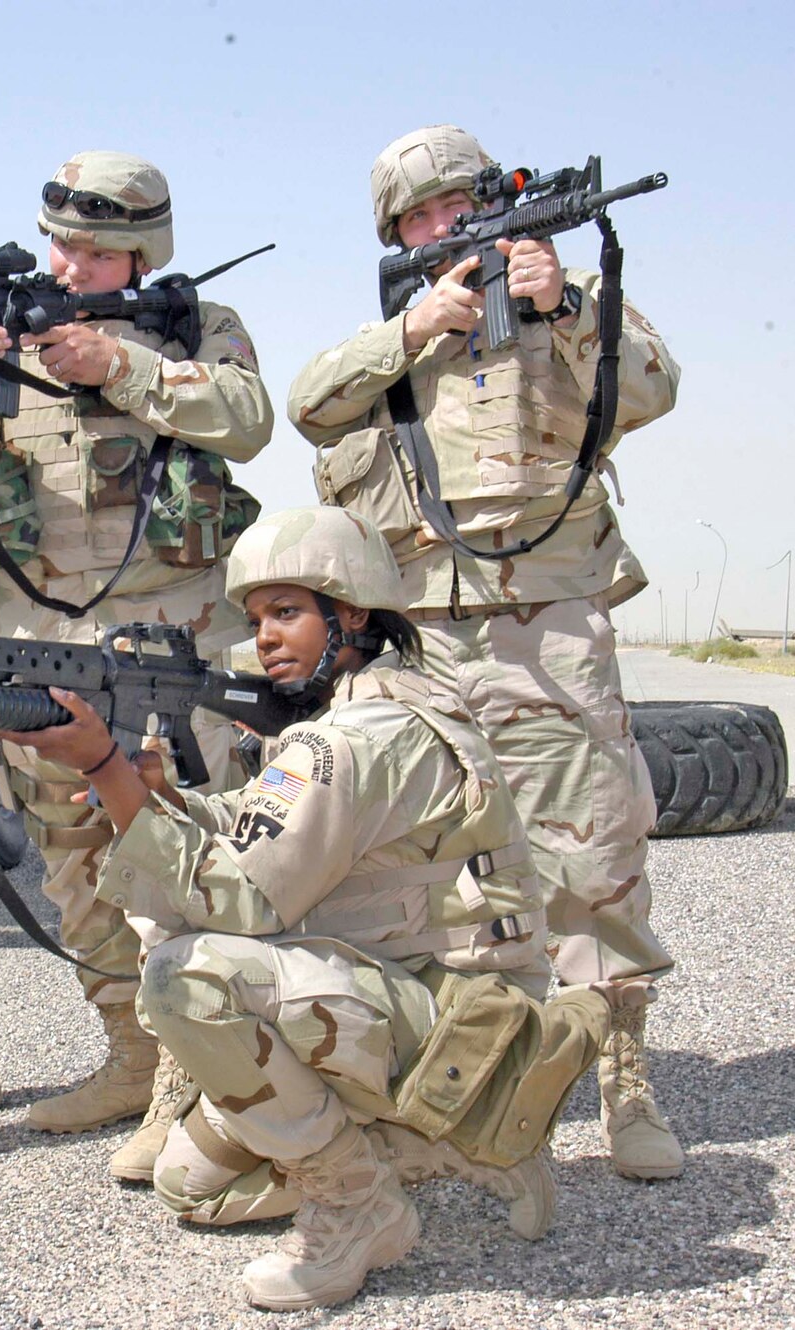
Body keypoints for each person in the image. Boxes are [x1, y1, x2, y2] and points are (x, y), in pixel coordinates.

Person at [0, 507, 607, 1311]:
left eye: (287, 613)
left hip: (456, 1023)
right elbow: (254, 824)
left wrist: (106, 769)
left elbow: (241, 898)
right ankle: (450, 1147)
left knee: (188, 979)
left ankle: (359, 1202)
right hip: (425, 1005)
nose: (266, 639)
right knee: (190, 1185)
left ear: (352, 614)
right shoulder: (374, 711)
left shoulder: (355, 739)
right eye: (256, 620)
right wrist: (160, 797)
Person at [287, 125, 685, 1180]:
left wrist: (559, 306)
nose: (438, 229)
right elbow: (306, 407)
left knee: (591, 853)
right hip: (417, 631)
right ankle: (465, 1073)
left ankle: (619, 1076)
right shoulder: (399, 340)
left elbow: (651, 389)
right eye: (414, 220)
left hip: (544, 623)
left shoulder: (566, 313)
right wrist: (411, 331)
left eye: (452, 207)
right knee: (432, 866)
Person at [0, 151, 272, 1151]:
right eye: (56, 242)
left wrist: (116, 365)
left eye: (91, 248)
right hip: (41, 651)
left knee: (185, 852)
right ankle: (132, 1058)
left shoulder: (197, 327)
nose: (64, 262)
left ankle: (213, 1080)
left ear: (139, 252)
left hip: (171, 642)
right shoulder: (3, 340)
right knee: (72, 863)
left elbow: (248, 421)